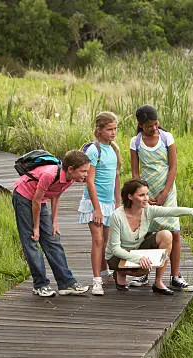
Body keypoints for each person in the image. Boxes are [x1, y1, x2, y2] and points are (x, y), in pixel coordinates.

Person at [106, 179, 193, 295]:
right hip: (116, 257)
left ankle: (158, 282)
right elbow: (115, 249)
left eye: (147, 194)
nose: (146, 198)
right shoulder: (117, 216)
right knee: (143, 268)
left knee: (166, 234)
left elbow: (172, 211)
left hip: (136, 250)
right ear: (130, 197)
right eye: (141, 195)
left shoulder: (148, 210)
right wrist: (137, 258)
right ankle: (120, 272)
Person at [129, 104, 193, 291]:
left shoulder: (166, 138)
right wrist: (142, 195)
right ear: (141, 125)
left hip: (167, 190)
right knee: (148, 233)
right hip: (146, 193)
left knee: (173, 232)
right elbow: (135, 171)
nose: (154, 128)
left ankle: (175, 275)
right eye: (150, 126)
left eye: (156, 124)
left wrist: (165, 192)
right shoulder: (136, 141)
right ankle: (144, 273)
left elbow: (173, 167)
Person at [12, 150, 91, 297]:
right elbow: (35, 201)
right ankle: (40, 285)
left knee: (53, 239)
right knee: (32, 241)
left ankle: (66, 283)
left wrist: (54, 222)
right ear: (71, 169)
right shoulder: (49, 174)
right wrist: (36, 228)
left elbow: (56, 196)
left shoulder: (71, 178)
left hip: (38, 200)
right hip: (24, 197)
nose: (86, 175)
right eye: (83, 171)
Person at [78, 112, 123, 296]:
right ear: (99, 130)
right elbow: (90, 181)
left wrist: (118, 203)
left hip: (109, 204)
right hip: (93, 203)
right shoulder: (93, 150)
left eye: (115, 129)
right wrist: (96, 208)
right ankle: (97, 280)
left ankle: (105, 274)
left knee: (105, 243)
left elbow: (116, 177)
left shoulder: (113, 149)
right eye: (109, 129)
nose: (113, 133)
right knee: (97, 241)